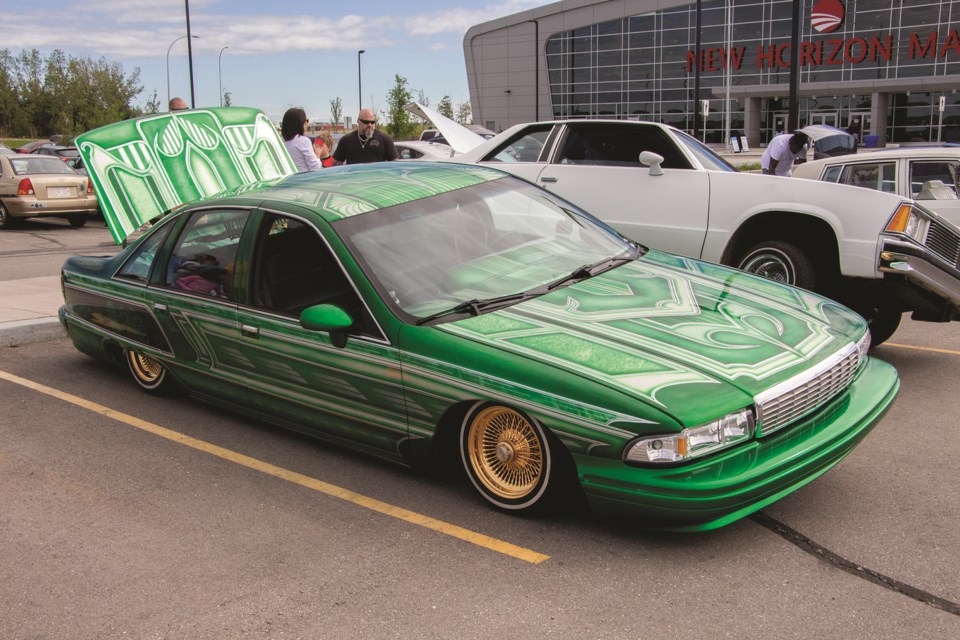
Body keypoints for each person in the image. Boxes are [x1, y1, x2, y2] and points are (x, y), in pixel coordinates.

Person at [332, 108, 398, 165]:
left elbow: (394, 165)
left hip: (377, 179)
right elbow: (336, 165)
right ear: (358, 121)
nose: (369, 125)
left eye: (372, 122)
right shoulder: (346, 140)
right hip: (354, 178)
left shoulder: (385, 140)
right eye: (366, 122)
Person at [281, 107, 322, 172]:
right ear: (300, 123)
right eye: (306, 121)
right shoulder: (303, 141)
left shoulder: (281, 141)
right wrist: (317, 155)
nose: (307, 123)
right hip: (302, 179)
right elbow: (315, 167)